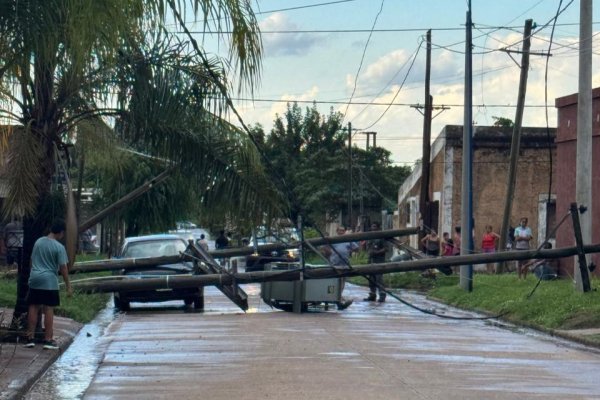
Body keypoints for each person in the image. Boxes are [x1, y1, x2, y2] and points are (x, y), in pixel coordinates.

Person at [23, 219, 72, 350]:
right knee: (48, 309)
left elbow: (31, 261)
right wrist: (68, 285)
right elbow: (63, 268)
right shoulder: (59, 247)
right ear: (61, 232)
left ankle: (30, 338)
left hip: (35, 278)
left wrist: (32, 275)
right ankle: (48, 340)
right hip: (49, 281)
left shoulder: (38, 241)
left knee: (33, 307)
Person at [327, 225, 357, 310]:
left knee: (342, 281)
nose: (341, 232)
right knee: (335, 280)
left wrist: (349, 250)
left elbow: (356, 248)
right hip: (335, 263)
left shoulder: (347, 239)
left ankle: (339, 296)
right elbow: (325, 247)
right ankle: (336, 297)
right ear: (337, 231)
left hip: (344, 263)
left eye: (343, 231)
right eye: (340, 231)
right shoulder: (334, 239)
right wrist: (330, 254)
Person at [364, 221, 387, 303]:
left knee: (379, 279)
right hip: (370, 261)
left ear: (378, 227)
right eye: (372, 226)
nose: (373, 228)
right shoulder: (370, 237)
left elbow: (385, 249)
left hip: (379, 261)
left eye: (374, 226)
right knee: (371, 279)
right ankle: (372, 295)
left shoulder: (381, 237)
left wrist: (377, 252)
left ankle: (382, 296)